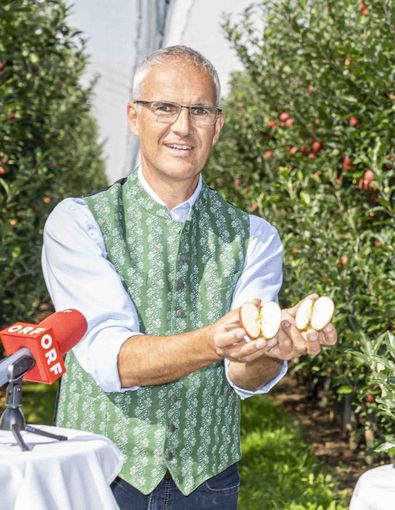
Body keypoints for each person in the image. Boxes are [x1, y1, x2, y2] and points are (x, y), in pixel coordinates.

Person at [41, 45, 336, 508]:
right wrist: (214, 341)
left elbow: (244, 374)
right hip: (99, 478)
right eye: (164, 108)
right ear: (133, 116)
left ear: (217, 126)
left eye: (199, 110)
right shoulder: (78, 224)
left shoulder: (255, 236)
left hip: (206, 483)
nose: (182, 126)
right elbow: (110, 359)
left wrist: (275, 349)